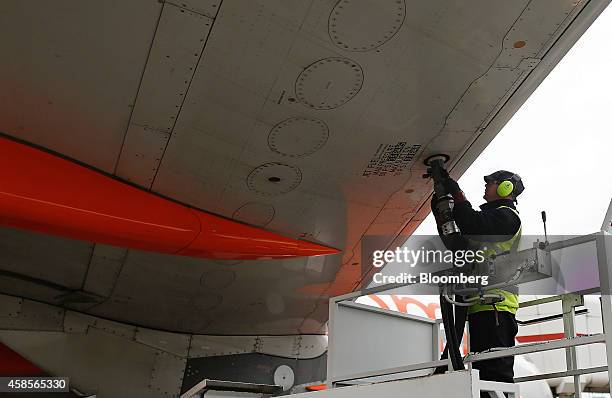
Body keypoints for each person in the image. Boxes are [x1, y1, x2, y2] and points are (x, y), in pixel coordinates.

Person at [437, 170, 525, 385]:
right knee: (482, 373)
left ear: (506, 188)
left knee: (495, 374)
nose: (486, 186)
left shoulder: (507, 217)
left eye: (491, 183)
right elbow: (462, 238)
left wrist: (457, 193)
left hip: (496, 307)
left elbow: (471, 222)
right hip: (480, 306)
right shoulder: (492, 221)